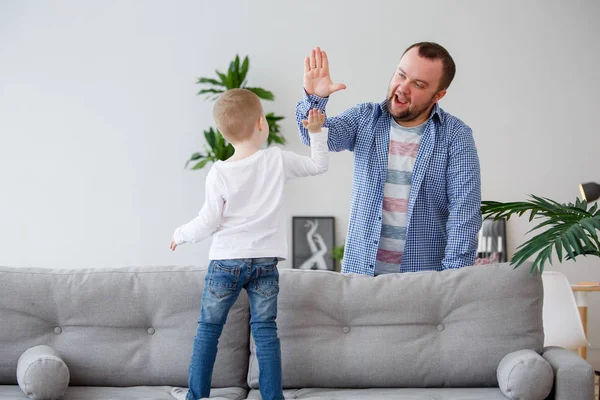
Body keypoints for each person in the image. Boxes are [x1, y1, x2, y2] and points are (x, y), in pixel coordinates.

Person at [170, 88, 328, 400]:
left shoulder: (219, 172)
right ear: (261, 123)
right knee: (266, 332)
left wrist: (180, 235)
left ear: (222, 133)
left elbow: (209, 221)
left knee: (208, 331)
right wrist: (316, 132)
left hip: (225, 263)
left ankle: (196, 395)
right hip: (265, 264)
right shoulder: (276, 160)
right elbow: (317, 165)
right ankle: (272, 397)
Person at [296, 43, 481, 276]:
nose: (403, 88)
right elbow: (312, 136)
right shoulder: (365, 118)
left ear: (438, 95)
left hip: (423, 281)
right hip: (360, 277)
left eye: (418, 84)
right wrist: (315, 98)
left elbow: (464, 213)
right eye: (401, 75)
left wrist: (451, 279)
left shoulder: (456, 136)